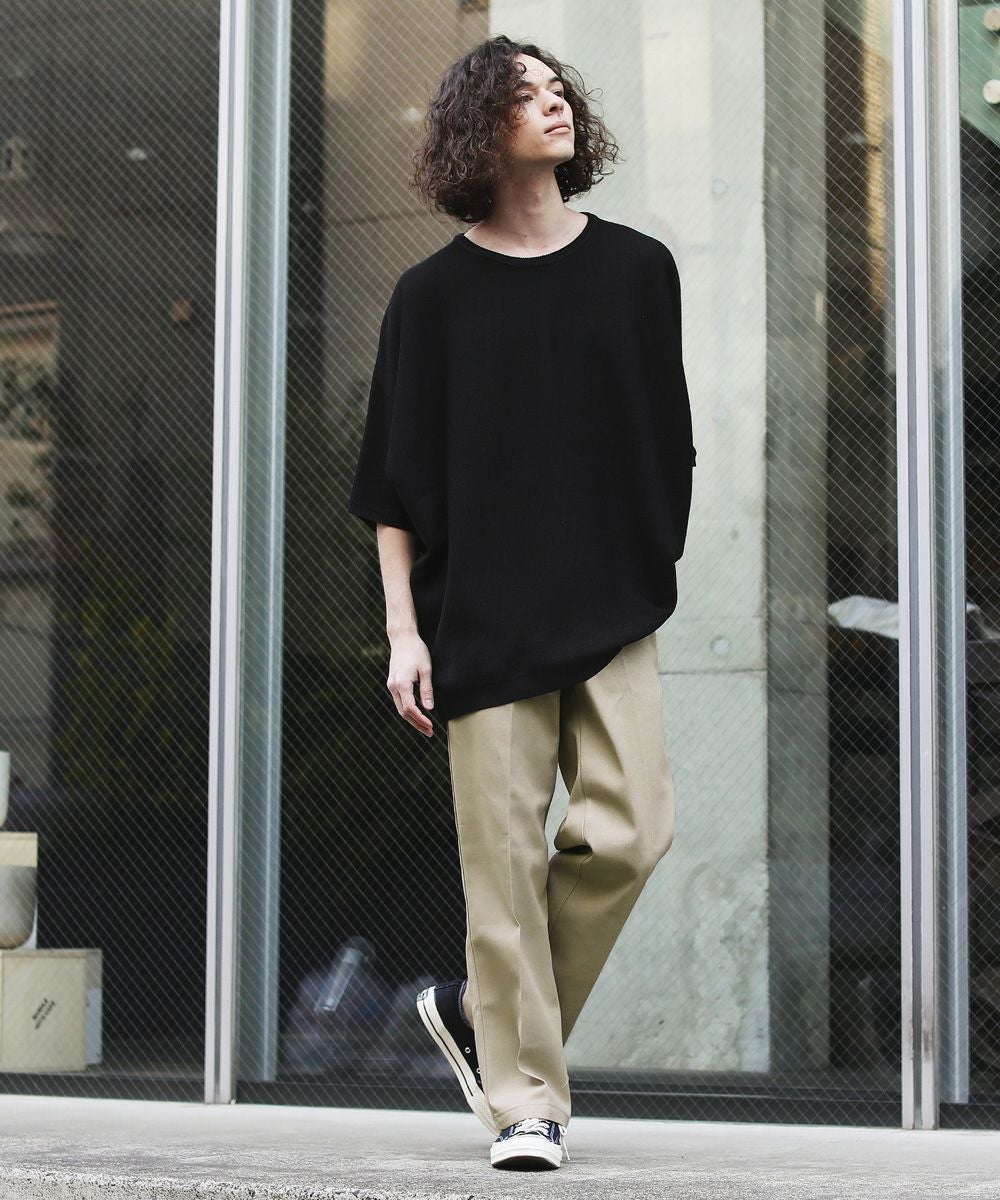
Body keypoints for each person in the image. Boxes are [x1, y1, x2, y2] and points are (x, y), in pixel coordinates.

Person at [347, 33, 696, 1171]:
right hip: (481, 616)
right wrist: (403, 632)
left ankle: (472, 1011)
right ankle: (525, 1104)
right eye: (525, 94)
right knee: (499, 867)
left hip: (610, 603)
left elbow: (667, 437)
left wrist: (644, 555)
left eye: (558, 90)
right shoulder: (431, 298)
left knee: (632, 833)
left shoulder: (638, 268)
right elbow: (393, 484)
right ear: (475, 130)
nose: (554, 105)